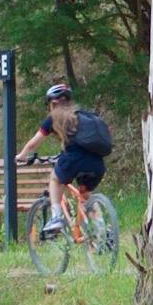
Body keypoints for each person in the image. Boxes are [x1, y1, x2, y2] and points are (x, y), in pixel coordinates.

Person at [13, 83, 105, 236]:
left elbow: (34, 143)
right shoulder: (83, 115)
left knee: (55, 179)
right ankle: (103, 232)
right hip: (97, 162)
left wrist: (21, 156)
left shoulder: (53, 118)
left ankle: (56, 217)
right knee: (86, 195)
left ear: (54, 103)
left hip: (74, 158)